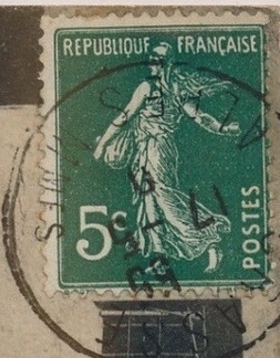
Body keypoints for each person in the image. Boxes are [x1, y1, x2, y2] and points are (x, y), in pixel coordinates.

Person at [93, 42, 239, 269]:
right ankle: (160, 254)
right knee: (149, 199)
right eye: (151, 57)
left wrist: (102, 144)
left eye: (158, 58)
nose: (153, 62)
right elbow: (197, 116)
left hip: (158, 150)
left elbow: (125, 117)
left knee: (163, 197)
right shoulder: (168, 87)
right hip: (150, 149)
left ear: (167, 63)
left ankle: (208, 236)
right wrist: (221, 127)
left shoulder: (155, 88)